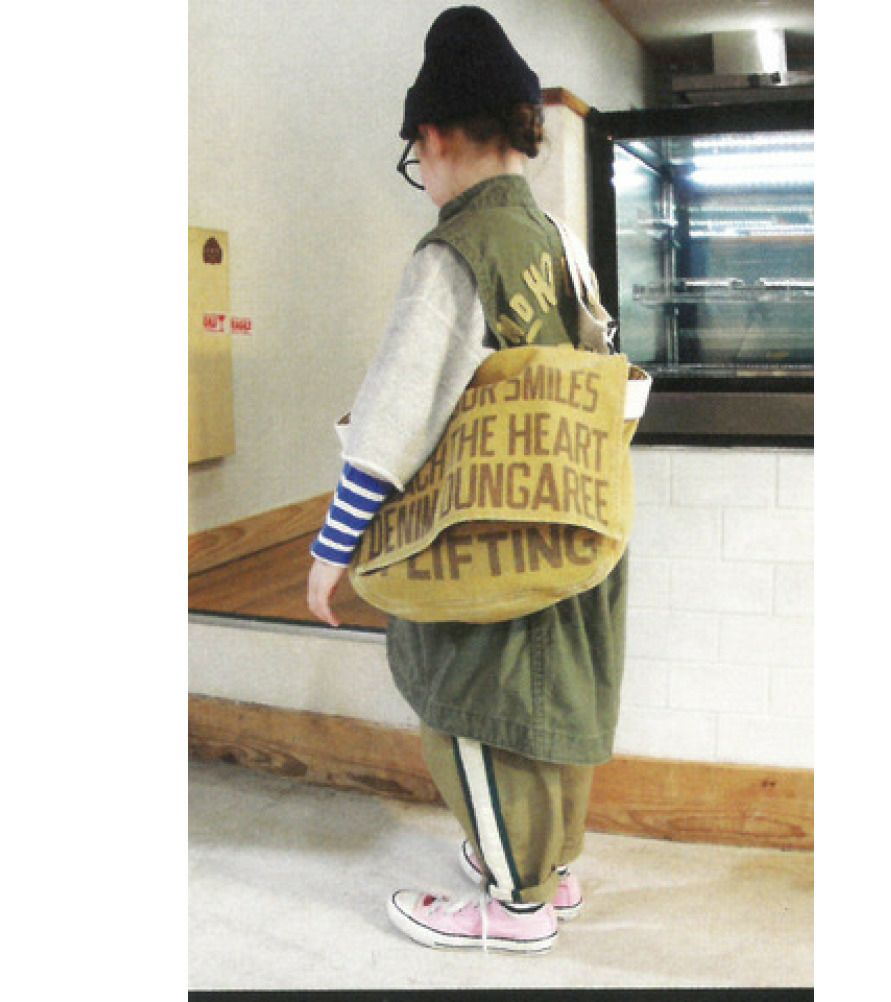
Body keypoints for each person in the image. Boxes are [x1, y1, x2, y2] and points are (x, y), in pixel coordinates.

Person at [306, 6, 627, 955]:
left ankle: (516, 907)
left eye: (418, 155)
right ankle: (549, 869)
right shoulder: (558, 240)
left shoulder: (455, 253)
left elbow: (393, 415)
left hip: (488, 536)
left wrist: (334, 547)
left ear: (435, 135)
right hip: (572, 521)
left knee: (476, 710)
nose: (424, 173)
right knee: (553, 702)